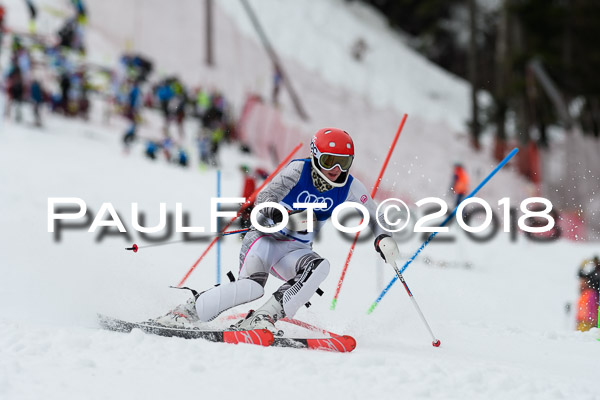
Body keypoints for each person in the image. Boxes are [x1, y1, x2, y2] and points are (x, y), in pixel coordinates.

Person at [155, 128, 401, 332]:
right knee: (251, 288)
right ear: (316, 157)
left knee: (319, 266)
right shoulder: (298, 171)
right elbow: (264, 200)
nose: (335, 169)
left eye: (343, 162)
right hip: (265, 241)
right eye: (328, 161)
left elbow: (374, 214)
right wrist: (278, 215)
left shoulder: (349, 187)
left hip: (295, 250)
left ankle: (262, 318)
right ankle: (186, 312)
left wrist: (383, 236)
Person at [576, 256, 600, 331]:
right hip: (585, 320)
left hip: (589, 319)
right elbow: (583, 276)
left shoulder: (591, 294)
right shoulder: (586, 293)